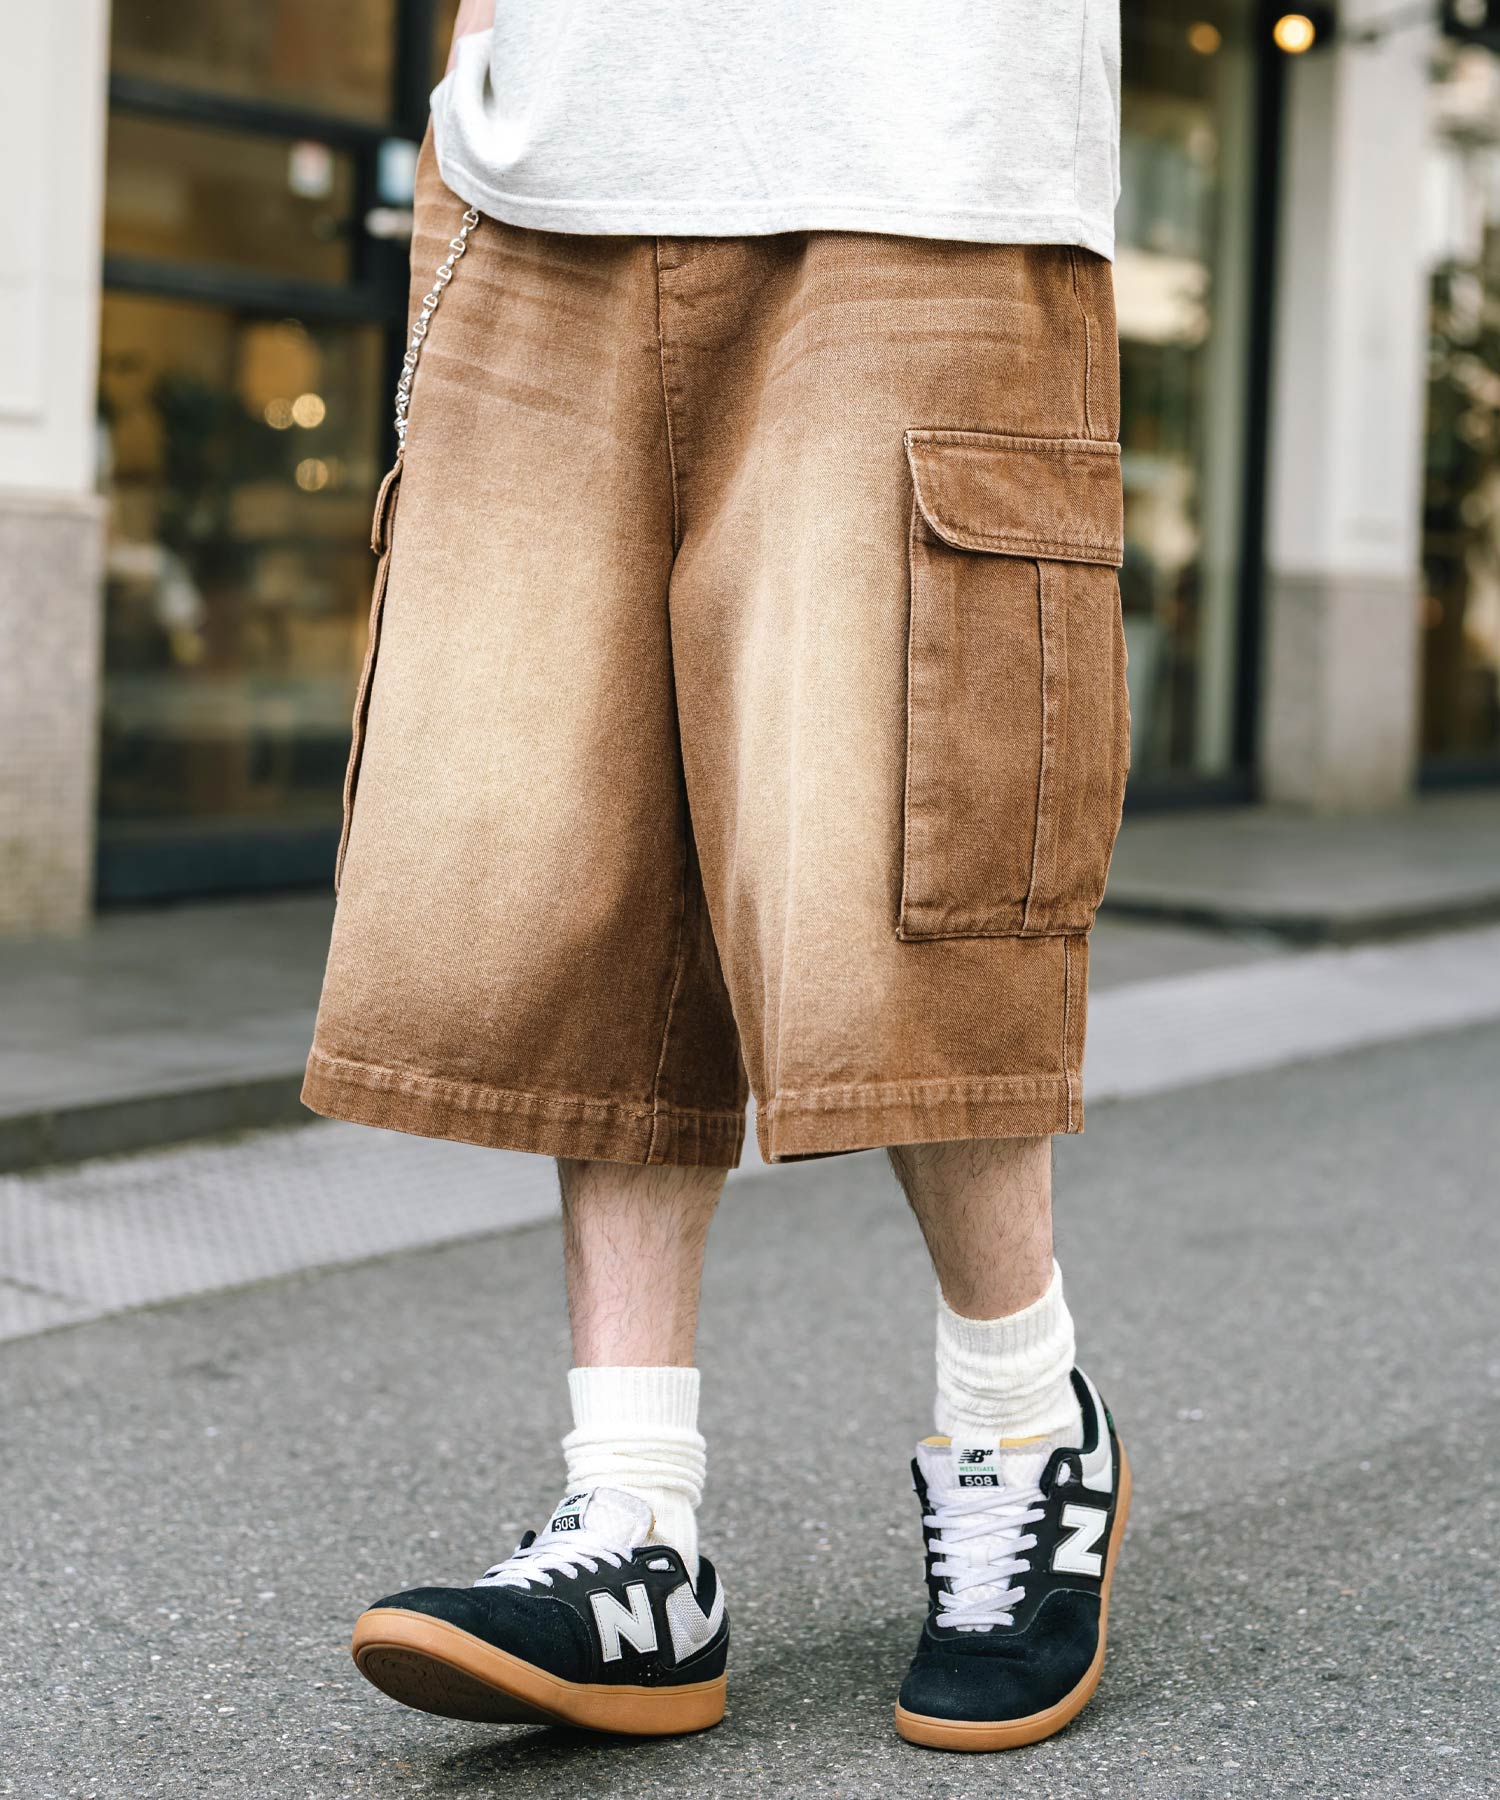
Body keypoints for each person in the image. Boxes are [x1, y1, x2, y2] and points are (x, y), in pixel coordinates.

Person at [305, 0, 1131, 1753]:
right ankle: (637, 1525)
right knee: (580, 841)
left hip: (920, 158)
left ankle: (1020, 1417)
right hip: (549, 169)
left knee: (908, 831)